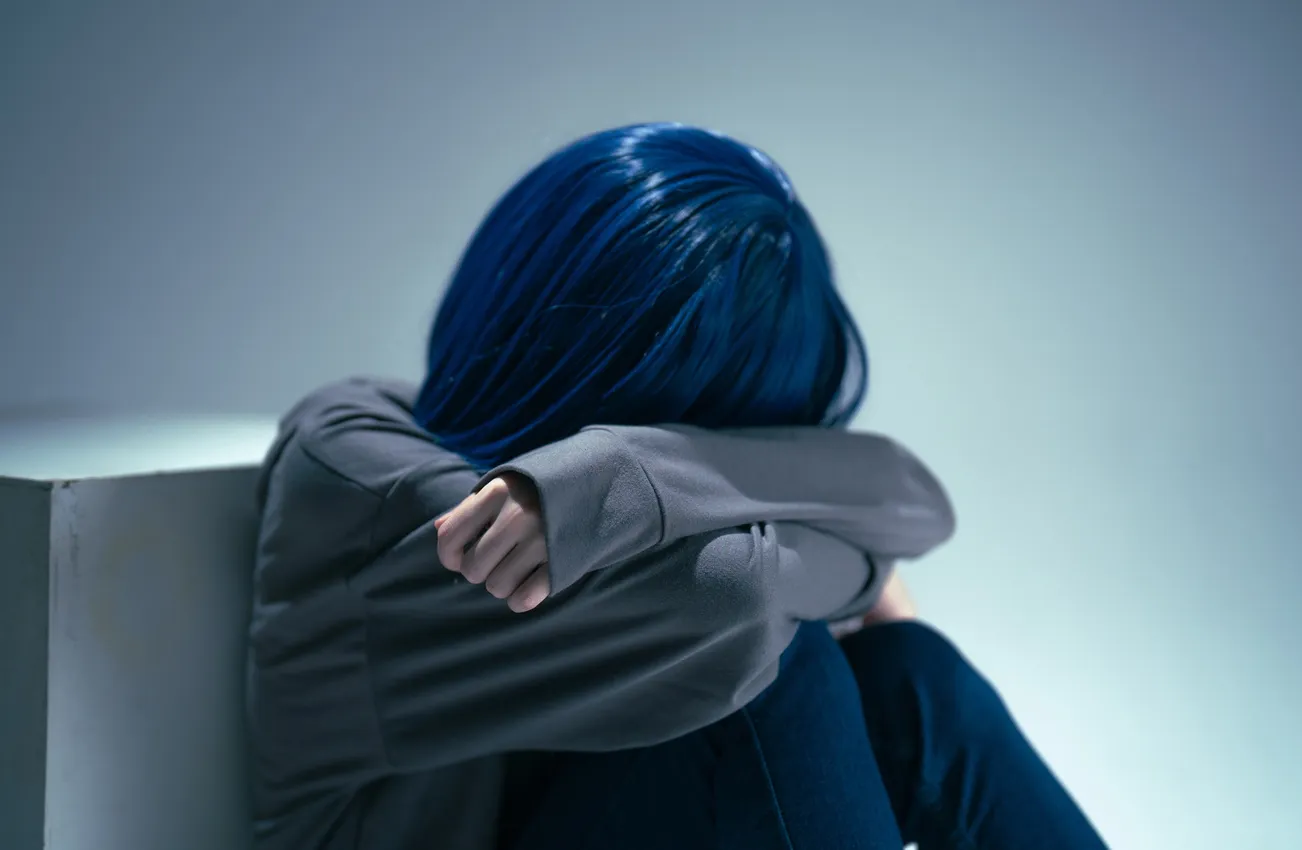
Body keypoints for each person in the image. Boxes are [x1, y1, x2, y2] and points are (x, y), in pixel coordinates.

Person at [246, 123, 1107, 849]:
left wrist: (630, 472)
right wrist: (852, 563)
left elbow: (910, 501)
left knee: (911, 680)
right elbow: (739, 596)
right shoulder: (372, 474)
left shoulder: (581, 486)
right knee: (779, 675)